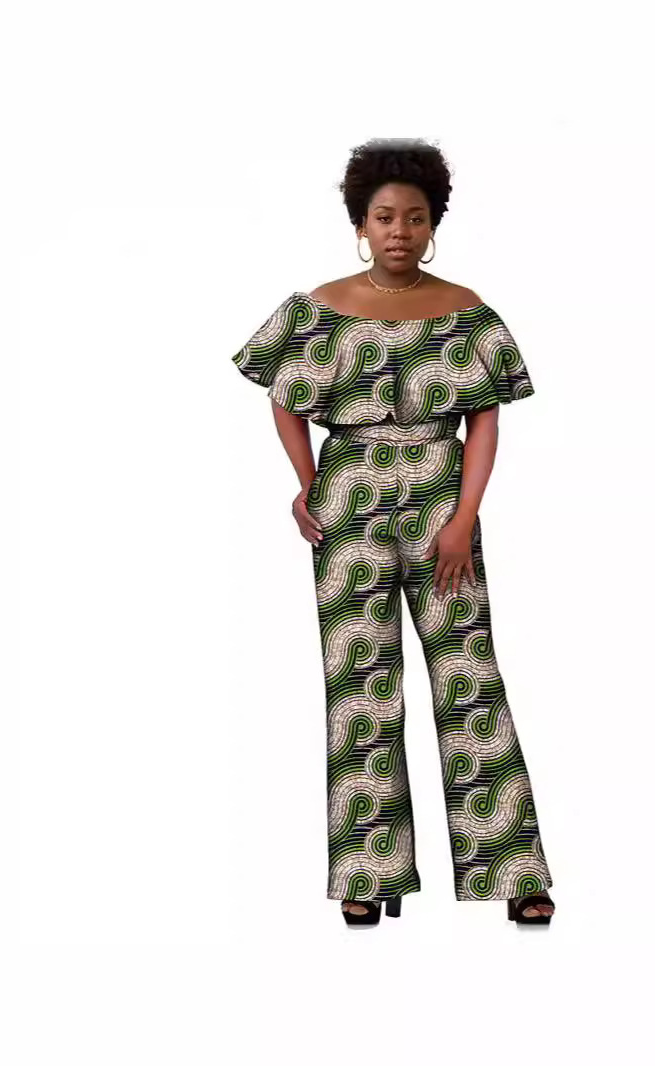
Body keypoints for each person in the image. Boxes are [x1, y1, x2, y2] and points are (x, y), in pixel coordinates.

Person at [230, 138, 556, 927]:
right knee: (360, 687)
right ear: (360, 224)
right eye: (384, 217)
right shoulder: (319, 307)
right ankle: (367, 872)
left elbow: (485, 422)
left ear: (433, 223)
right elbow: (284, 396)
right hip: (348, 507)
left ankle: (514, 873)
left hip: (443, 500)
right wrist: (307, 483)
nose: (399, 231)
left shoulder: (466, 311)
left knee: (469, 677)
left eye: (414, 217)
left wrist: (464, 519)